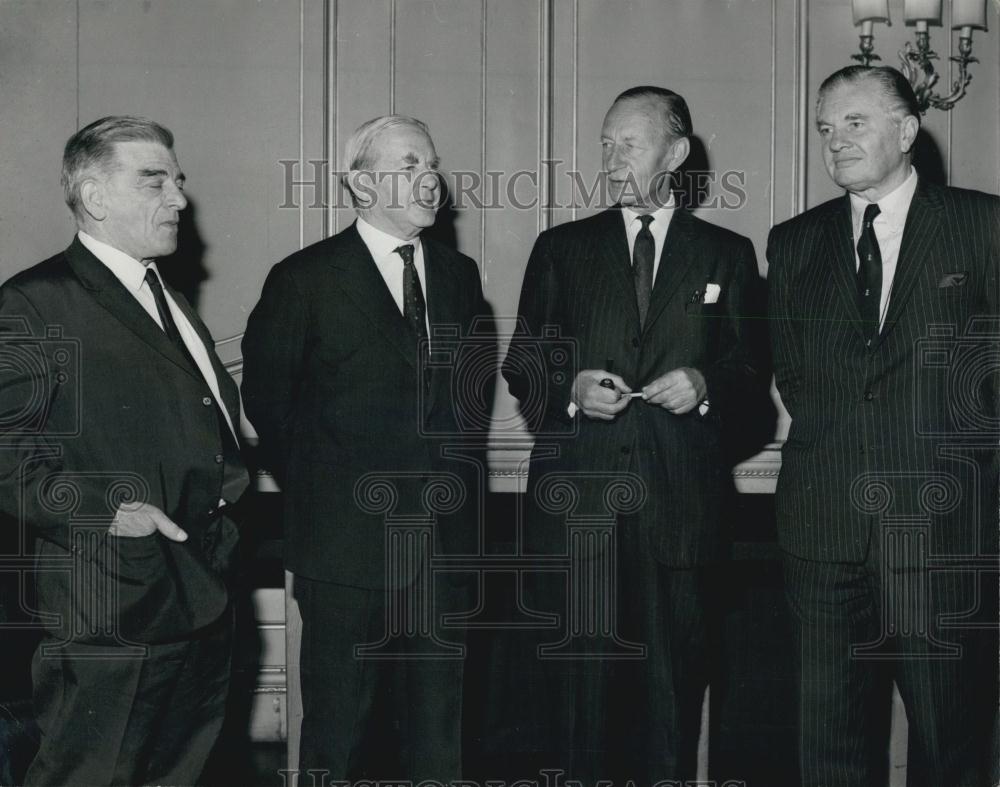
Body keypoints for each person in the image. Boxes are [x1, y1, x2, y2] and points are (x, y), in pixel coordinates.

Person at [502, 86, 761, 783]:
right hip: (578, 514)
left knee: (671, 701)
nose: (612, 160)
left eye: (630, 144)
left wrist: (705, 385)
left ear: (675, 154)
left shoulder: (727, 255)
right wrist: (570, 389)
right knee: (577, 706)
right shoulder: (561, 248)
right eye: (606, 144)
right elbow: (523, 362)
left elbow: (751, 376)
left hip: (682, 517)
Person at [241, 115, 492, 781]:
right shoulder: (305, 279)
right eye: (408, 165)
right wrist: (334, 495)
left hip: (442, 552)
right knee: (339, 737)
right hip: (344, 551)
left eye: (431, 164)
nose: (429, 178)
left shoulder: (460, 275)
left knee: (440, 741)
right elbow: (269, 406)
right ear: (360, 184)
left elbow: (468, 409)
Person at [768, 65, 999, 786]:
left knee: (949, 745)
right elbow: (797, 377)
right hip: (823, 536)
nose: (835, 141)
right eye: (825, 128)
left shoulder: (983, 226)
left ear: (906, 131)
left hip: (942, 534)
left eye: (854, 123)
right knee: (829, 750)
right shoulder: (794, 241)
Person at [0, 116, 249, 786]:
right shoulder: (35, 301)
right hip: (109, 604)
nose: (179, 199)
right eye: (154, 181)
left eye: (178, 181)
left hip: (200, 591)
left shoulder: (165, 297)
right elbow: (6, 457)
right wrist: (111, 511)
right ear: (95, 196)